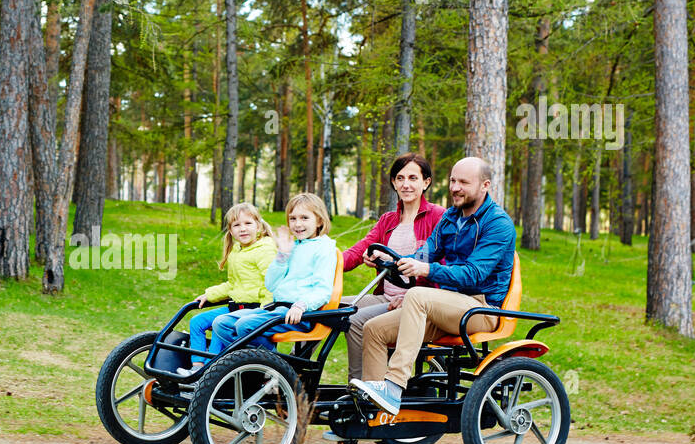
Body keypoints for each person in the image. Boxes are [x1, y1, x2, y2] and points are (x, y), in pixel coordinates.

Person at [352, 157, 516, 416]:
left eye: (464, 182)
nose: (455, 188)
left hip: (481, 308)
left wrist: (426, 269)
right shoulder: (451, 217)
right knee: (374, 329)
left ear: (485, 185)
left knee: (417, 295)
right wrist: (397, 262)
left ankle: (393, 386)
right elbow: (427, 252)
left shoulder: (498, 224)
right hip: (448, 306)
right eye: (452, 180)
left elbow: (474, 274)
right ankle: (370, 411)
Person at [339, 153, 445, 383]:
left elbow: (443, 264)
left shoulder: (438, 217)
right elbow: (358, 251)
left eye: (413, 178)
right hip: (386, 297)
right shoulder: (388, 220)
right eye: (400, 178)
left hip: (417, 302)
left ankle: (359, 387)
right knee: (327, 308)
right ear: (394, 183)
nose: (406, 184)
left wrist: (412, 297)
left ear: (426, 182)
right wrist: (329, 263)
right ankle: (300, 376)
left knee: (356, 321)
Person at [206, 192, 338, 361]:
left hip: (300, 313)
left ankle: (273, 367)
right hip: (277, 308)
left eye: (304, 218)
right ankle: (258, 365)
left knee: (245, 326)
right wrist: (282, 255)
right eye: (293, 219)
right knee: (221, 324)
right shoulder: (293, 246)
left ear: (319, 220)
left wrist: (301, 306)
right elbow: (271, 284)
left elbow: (323, 290)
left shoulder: (324, 248)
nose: (298, 224)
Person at [178, 203, 275, 376]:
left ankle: (209, 374)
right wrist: (209, 295)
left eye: (248, 223)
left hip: (255, 310)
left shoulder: (265, 250)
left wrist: (268, 311)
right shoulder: (237, 251)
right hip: (235, 307)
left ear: (258, 226)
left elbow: (272, 283)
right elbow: (232, 284)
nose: (242, 229)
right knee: (197, 322)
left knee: (219, 324)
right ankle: (197, 367)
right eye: (237, 225)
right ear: (230, 230)